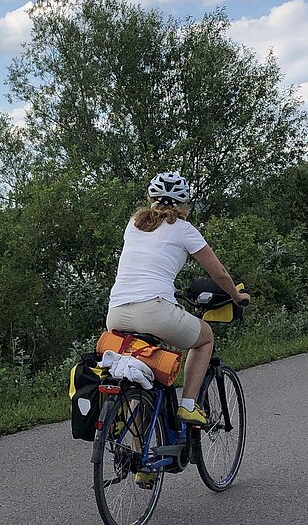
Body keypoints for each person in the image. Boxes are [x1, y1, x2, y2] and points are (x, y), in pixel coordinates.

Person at [105, 172, 249, 428]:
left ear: (151, 199)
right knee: (205, 338)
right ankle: (188, 406)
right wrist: (236, 296)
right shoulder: (183, 229)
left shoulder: (134, 224)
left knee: (143, 378)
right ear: (184, 205)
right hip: (154, 311)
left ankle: (143, 463)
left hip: (116, 313)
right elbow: (219, 273)